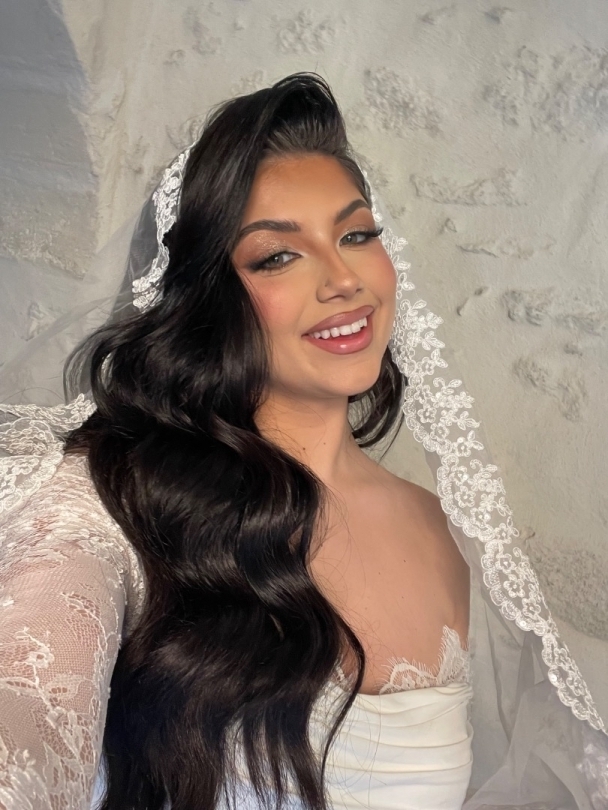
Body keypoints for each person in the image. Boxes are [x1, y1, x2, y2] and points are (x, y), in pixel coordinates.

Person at [0, 73, 606, 810]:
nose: (343, 279)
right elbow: (27, 728)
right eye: (278, 256)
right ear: (201, 299)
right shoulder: (103, 502)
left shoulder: (443, 532)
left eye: (356, 235)